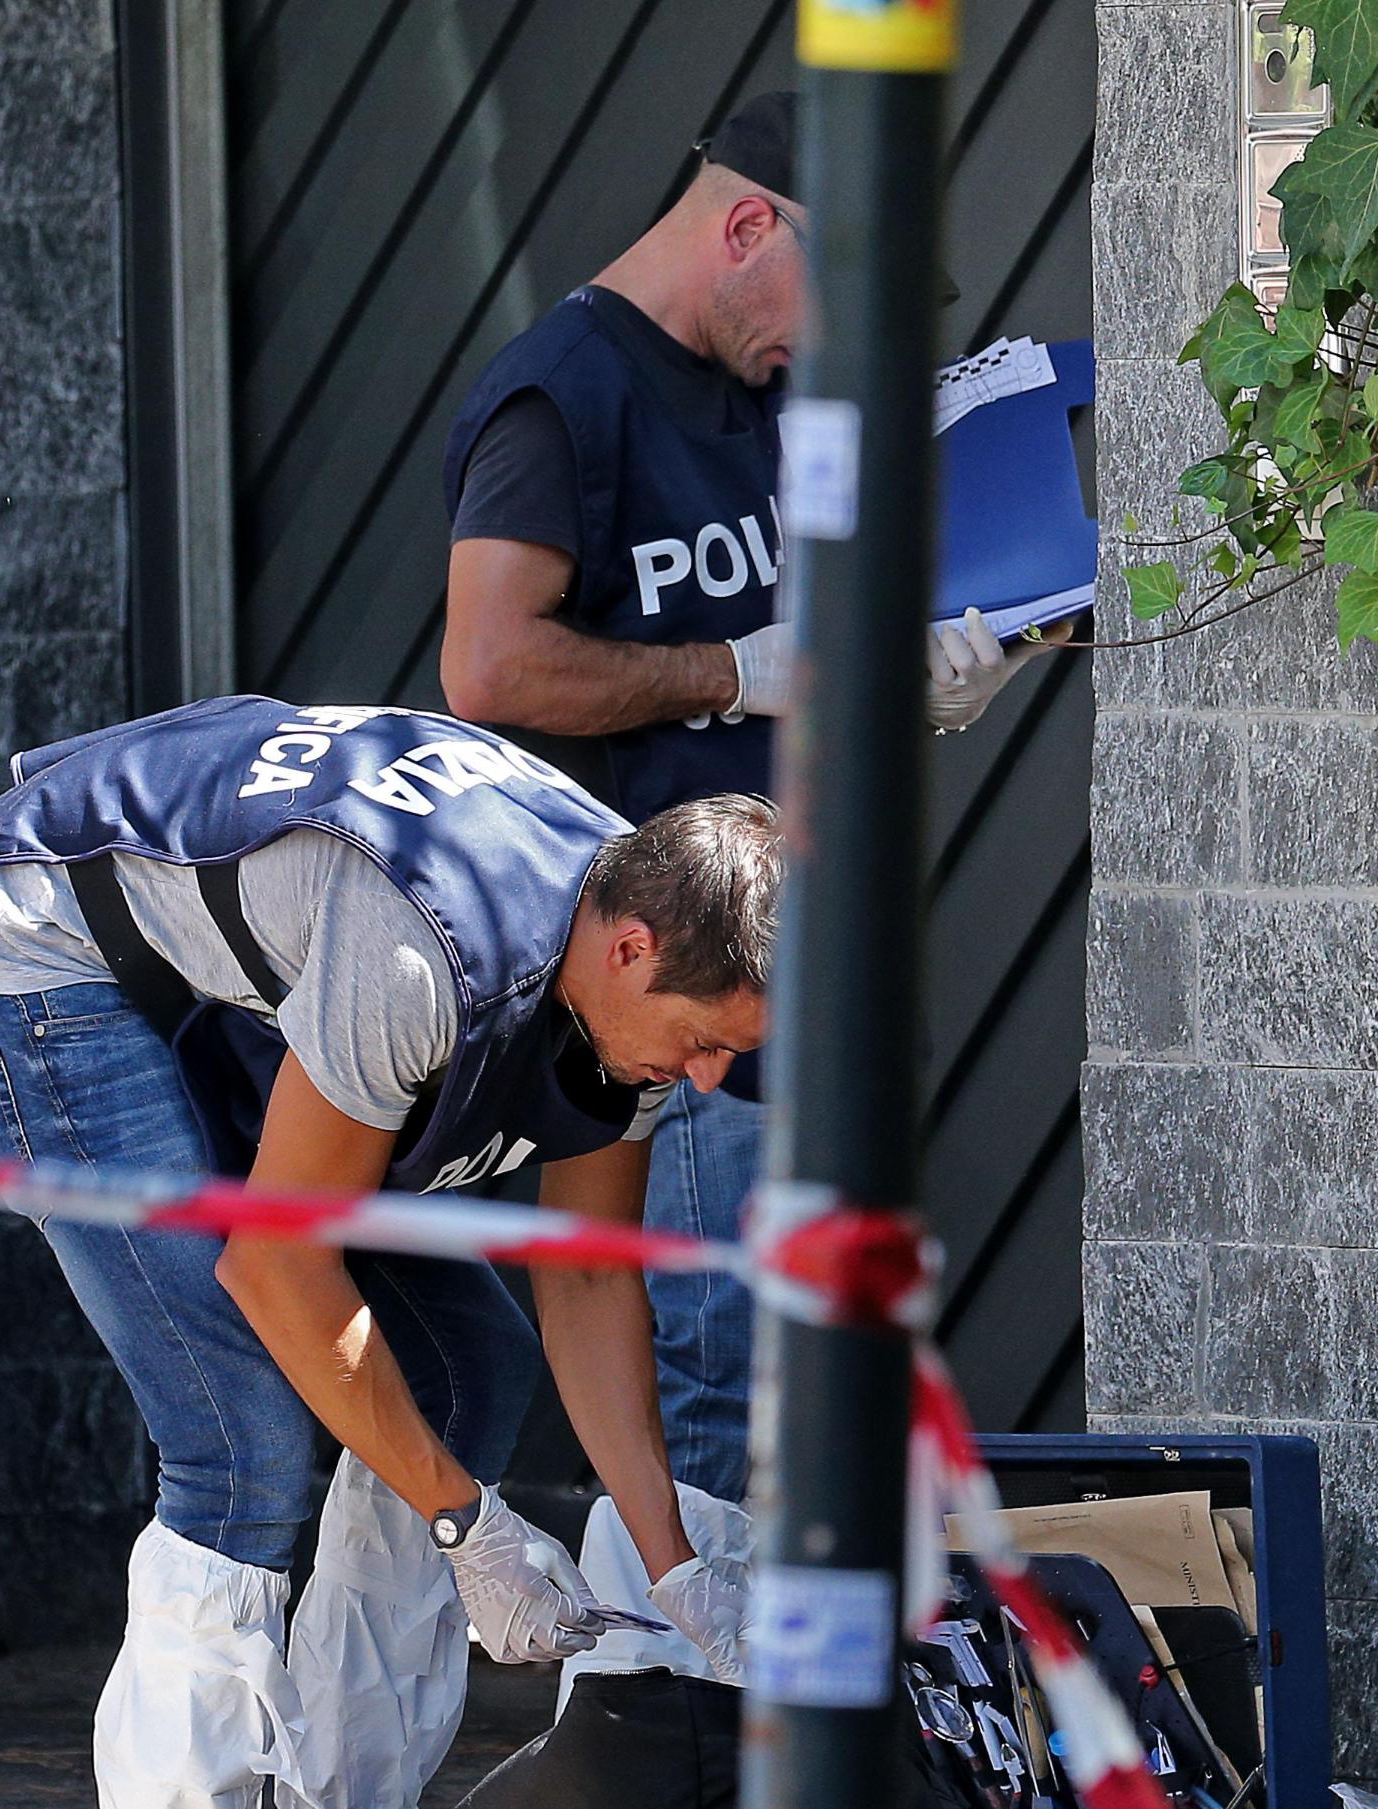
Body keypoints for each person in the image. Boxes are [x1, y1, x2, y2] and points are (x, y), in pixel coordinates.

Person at [0, 694, 780, 1809]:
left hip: (222, 977)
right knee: (240, 1436)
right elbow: (276, 1269)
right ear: (630, 948)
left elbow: (585, 1279)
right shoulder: (425, 950)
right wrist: (468, 1529)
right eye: (703, 1040)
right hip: (41, 953)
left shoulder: (632, 947)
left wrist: (674, 1567)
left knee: (471, 1364)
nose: (711, 1077)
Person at [438, 89, 1043, 1509]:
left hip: (822, 976)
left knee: (826, 1378)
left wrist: (922, 674)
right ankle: (697, 1652)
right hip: (680, 983)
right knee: (720, 1373)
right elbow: (488, 665)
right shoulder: (563, 396)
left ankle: (763, 1642)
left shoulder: (782, 397)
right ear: (750, 224)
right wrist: (731, 673)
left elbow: (819, 641)